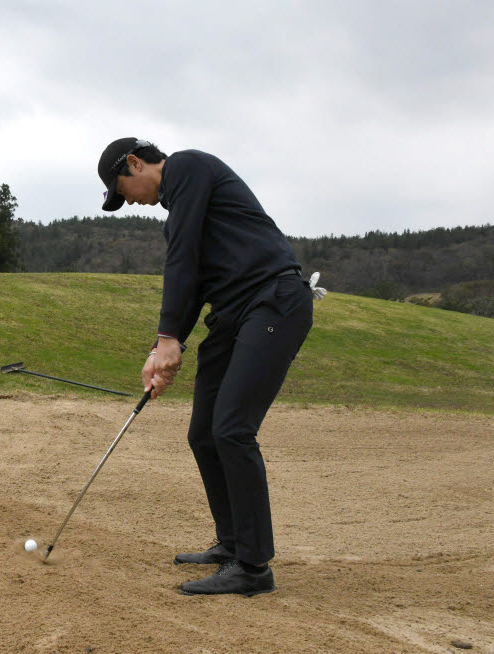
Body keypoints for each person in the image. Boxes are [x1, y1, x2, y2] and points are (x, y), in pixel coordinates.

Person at [98, 137, 318, 597]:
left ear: (136, 163)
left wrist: (168, 338)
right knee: (204, 432)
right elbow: (191, 277)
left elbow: (182, 258)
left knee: (233, 429)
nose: (132, 202)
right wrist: (161, 348)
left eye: (125, 190)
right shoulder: (179, 213)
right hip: (234, 313)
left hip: (274, 300)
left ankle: (253, 568)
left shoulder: (189, 169)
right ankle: (233, 544)